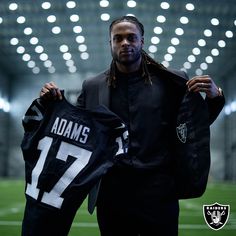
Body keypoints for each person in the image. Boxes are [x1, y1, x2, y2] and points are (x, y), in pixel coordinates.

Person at [39, 16, 225, 236]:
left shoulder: (172, 81)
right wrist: (53, 105)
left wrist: (215, 97)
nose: (125, 43)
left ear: (142, 42)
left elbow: (193, 127)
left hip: (159, 194)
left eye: (131, 37)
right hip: (112, 196)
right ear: (110, 44)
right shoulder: (93, 87)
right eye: (118, 39)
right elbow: (76, 132)